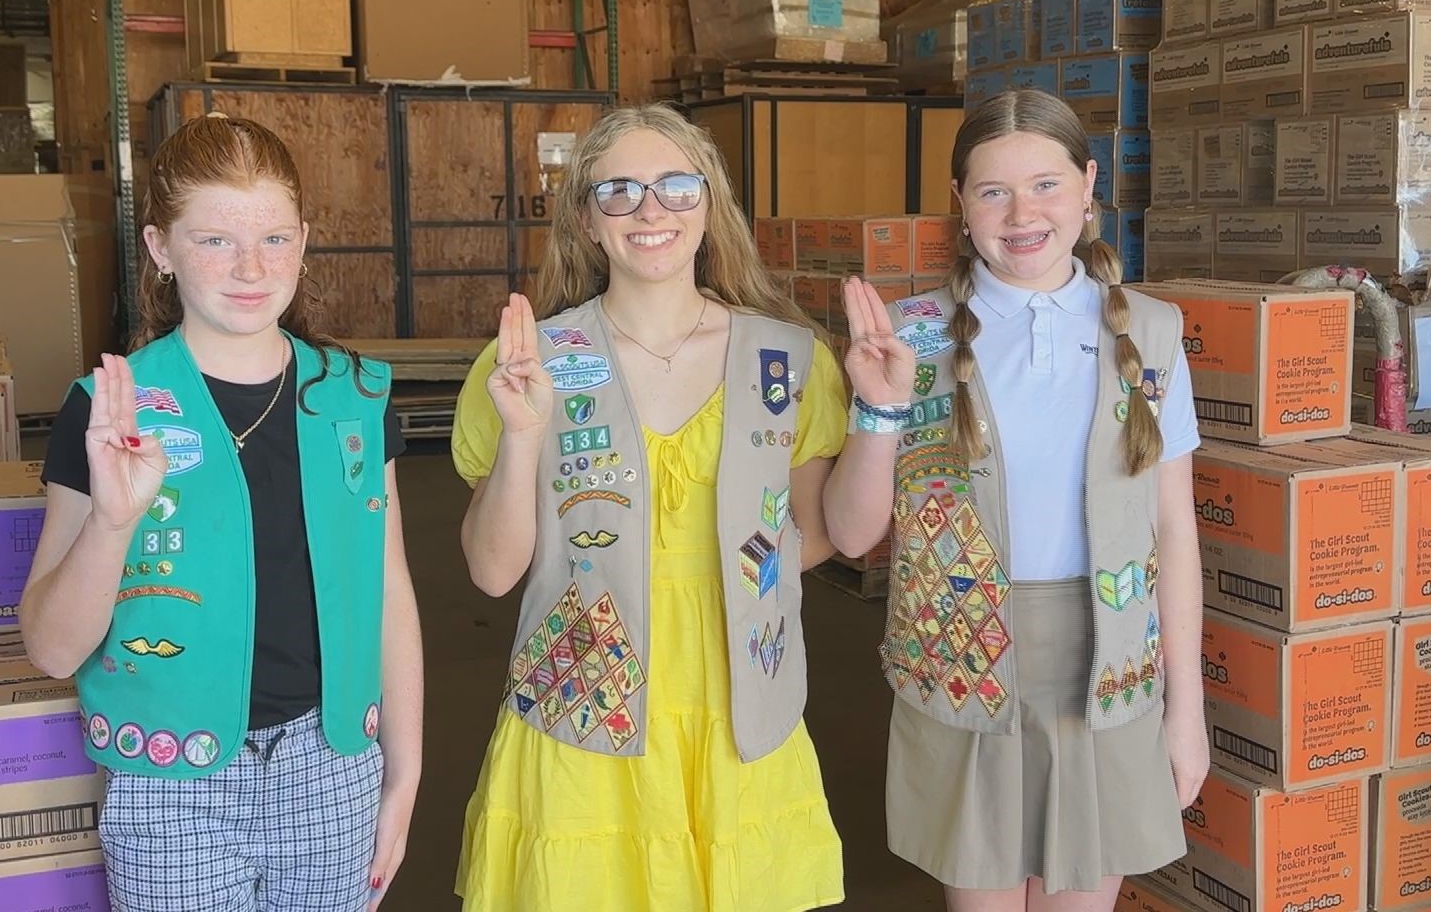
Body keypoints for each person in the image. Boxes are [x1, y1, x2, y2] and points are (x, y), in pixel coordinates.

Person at [20, 114, 423, 912]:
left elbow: (390, 594)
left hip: (334, 767)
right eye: (213, 241)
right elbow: (51, 649)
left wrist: (404, 774)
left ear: (304, 242)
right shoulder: (107, 410)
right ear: (161, 248)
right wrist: (111, 520)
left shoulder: (355, 399)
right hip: (171, 786)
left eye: (274, 238)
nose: (250, 266)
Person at [452, 104, 847, 911]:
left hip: (738, 695)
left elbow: (810, 535)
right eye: (619, 191)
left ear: (710, 207)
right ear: (588, 222)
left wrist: (723, 565)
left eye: (675, 185)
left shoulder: (787, 358)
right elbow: (495, 573)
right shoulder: (529, 362)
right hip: (582, 696)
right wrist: (524, 435)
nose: (650, 209)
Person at [821, 90, 1207, 912]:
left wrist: (1187, 712)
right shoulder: (910, 337)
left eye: (1046, 184)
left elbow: (1174, 533)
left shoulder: (1153, 332)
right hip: (965, 664)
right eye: (993, 190)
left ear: (1089, 185)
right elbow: (852, 533)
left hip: (1107, 668)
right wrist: (880, 408)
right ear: (960, 204)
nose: (1022, 212)